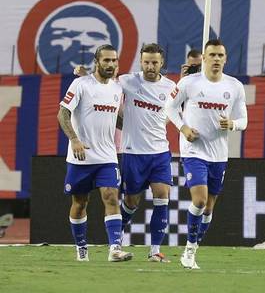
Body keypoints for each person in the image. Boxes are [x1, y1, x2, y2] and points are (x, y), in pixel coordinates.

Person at [75, 43, 177, 262]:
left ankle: (155, 250)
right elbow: (101, 83)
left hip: (160, 151)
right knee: (131, 202)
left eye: (155, 62)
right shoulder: (127, 81)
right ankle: (115, 240)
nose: (151, 66)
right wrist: (84, 75)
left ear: (162, 64)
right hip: (132, 152)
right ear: (141, 61)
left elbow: (179, 107)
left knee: (163, 195)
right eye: (147, 62)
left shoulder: (170, 87)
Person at [165, 39, 248, 269]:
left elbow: (244, 121)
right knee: (199, 200)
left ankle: (194, 246)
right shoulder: (189, 83)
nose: (216, 59)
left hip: (219, 154)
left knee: (209, 208)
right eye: (212, 55)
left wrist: (231, 124)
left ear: (226, 59)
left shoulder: (234, 86)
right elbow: (169, 107)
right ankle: (189, 250)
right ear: (204, 57)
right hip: (193, 151)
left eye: (220, 55)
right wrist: (183, 128)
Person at [57, 44, 132, 262]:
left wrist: (136, 126)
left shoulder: (117, 89)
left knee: (111, 197)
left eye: (114, 60)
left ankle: (115, 249)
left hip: (107, 156)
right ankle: (81, 248)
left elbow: (116, 119)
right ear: (96, 62)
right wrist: (75, 141)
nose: (111, 64)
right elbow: (63, 113)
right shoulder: (81, 84)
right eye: (106, 60)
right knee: (80, 203)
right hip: (81, 157)